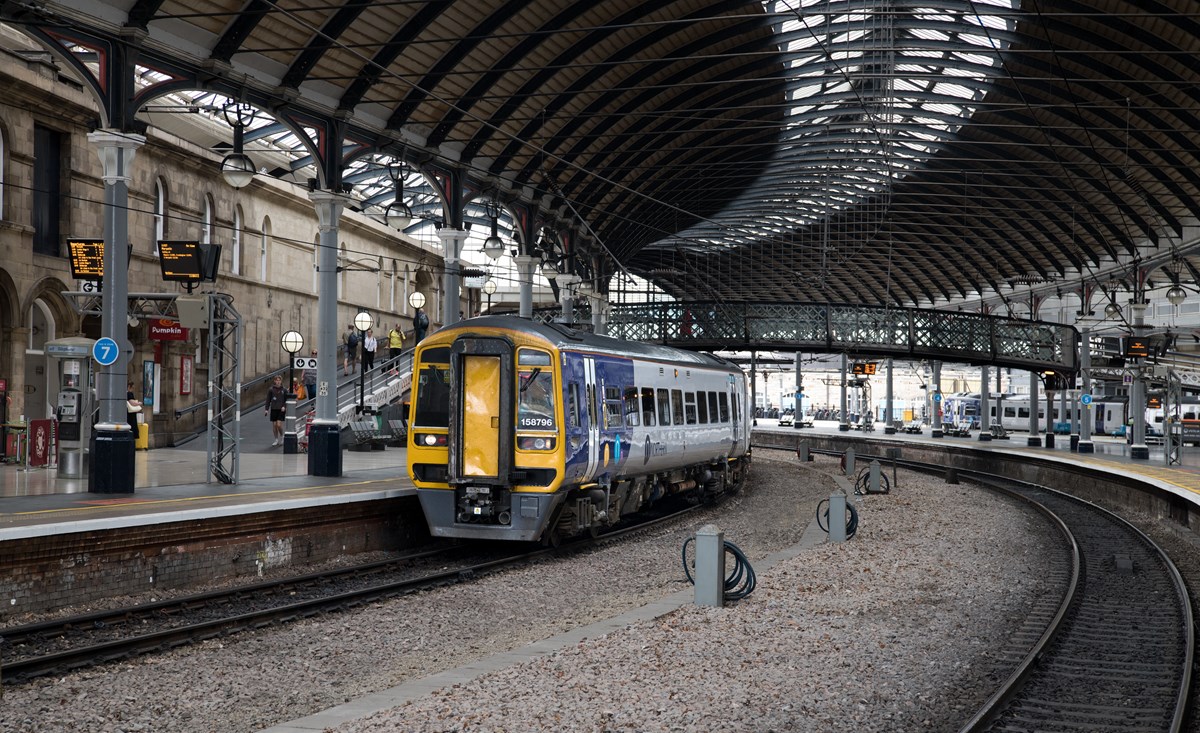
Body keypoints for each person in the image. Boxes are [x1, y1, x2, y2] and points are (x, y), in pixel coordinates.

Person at [264, 375, 288, 447]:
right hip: (274, 408)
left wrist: (284, 406)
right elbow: (268, 400)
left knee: (278, 424)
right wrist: (266, 409)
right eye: (276, 380)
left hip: (281, 409)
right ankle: (276, 439)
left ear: (281, 381)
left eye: (279, 380)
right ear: (274, 381)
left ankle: (282, 436)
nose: (278, 382)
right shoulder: (271, 389)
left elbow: (286, 399)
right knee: (274, 425)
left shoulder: (284, 390)